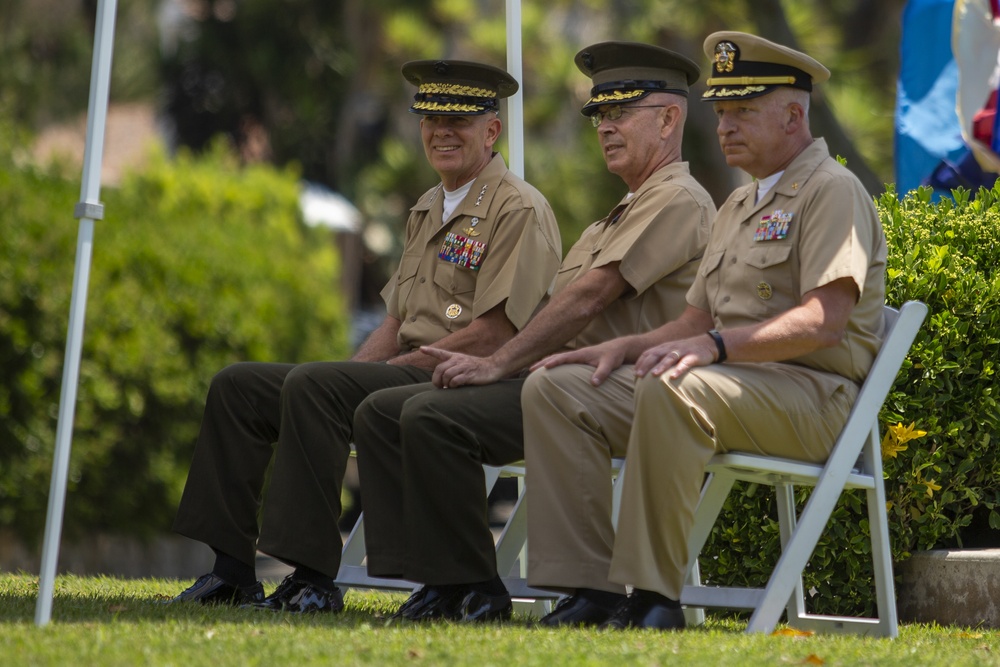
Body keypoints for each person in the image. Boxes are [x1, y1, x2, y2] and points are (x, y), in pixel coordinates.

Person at [522, 31, 887, 630]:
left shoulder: (833, 192)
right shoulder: (738, 206)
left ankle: (654, 598)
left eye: (743, 110)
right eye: (720, 112)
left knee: (670, 388)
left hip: (814, 399)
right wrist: (623, 345)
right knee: (559, 390)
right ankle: (590, 589)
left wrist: (714, 347)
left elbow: (826, 322)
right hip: (730, 388)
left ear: (794, 115)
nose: (725, 126)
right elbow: (694, 321)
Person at [167, 59, 563, 612]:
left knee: (316, 386)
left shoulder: (516, 207)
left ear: (491, 130)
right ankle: (231, 569)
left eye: (460, 122)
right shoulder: (427, 207)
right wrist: (350, 375)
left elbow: (496, 331)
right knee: (239, 386)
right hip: (405, 370)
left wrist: (368, 379)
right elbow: (395, 323)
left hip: (468, 377)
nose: (441, 132)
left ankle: (311, 579)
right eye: (431, 119)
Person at [352, 41, 715, 623]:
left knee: (429, 414)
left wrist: (498, 362)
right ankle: (445, 581)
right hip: (564, 382)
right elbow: (566, 309)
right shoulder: (620, 211)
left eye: (621, 113)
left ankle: (511, 588)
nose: (605, 127)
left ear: (670, 119)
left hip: (607, 391)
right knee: (393, 408)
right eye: (600, 115)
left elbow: (588, 299)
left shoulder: (676, 199)